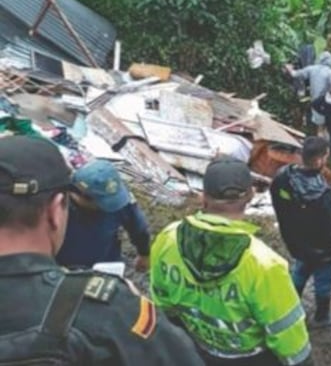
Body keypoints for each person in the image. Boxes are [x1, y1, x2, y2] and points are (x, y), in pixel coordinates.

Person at [0, 136, 203, 365]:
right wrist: (126, 304)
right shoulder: (109, 313)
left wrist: (144, 253)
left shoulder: (120, 205)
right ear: (56, 211)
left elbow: (138, 227)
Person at [150, 157, 312, 366]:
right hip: (252, 358)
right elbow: (287, 334)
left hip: (199, 349)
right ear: (251, 196)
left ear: (203, 197)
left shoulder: (168, 239)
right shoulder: (264, 264)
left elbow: (163, 305)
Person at [270, 137, 331, 328]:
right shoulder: (322, 194)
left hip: (296, 241)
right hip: (323, 250)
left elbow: (279, 204)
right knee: (323, 280)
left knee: (300, 270)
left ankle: (289, 305)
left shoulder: (283, 177)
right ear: (320, 160)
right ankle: (322, 316)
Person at [55, 160, 150, 271]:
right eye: (104, 203)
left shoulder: (119, 199)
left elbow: (139, 228)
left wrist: (144, 254)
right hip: (59, 266)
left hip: (104, 265)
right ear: (80, 196)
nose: (112, 207)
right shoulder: (56, 203)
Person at [285, 51, 331, 133]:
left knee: (319, 128)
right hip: (329, 103)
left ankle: (320, 143)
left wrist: (289, 69)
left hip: (316, 103)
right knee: (328, 129)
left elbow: (295, 74)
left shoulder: (311, 69)